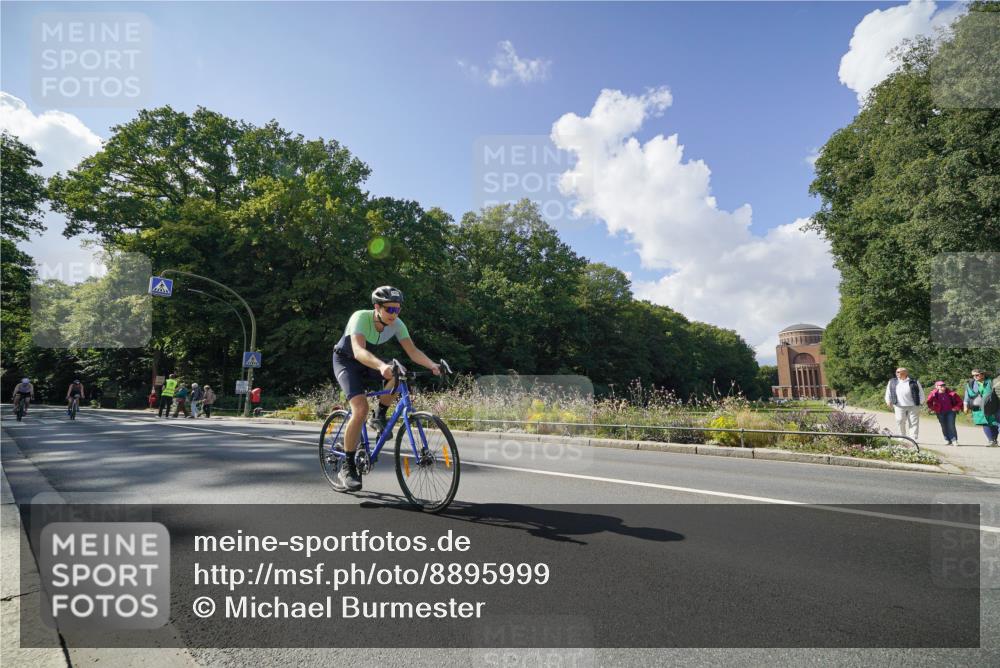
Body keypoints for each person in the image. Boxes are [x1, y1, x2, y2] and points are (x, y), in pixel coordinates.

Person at [331, 286, 441, 492]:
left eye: (397, 310)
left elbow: (413, 351)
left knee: (400, 372)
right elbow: (358, 350)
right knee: (360, 409)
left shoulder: (397, 324)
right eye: (390, 310)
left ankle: (379, 415)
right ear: (377, 307)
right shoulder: (360, 317)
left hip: (367, 361)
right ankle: (347, 466)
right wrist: (382, 366)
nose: (394, 314)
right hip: (346, 361)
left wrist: (432, 365)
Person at [884, 367, 925, 442]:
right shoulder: (892, 381)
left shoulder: (914, 381)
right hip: (898, 405)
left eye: (899, 372)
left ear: (905, 373)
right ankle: (902, 437)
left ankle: (913, 438)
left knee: (913, 422)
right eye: (897, 372)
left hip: (913, 405)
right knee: (899, 420)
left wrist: (921, 402)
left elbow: (921, 393)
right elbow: (888, 392)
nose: (897, 373)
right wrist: (888, 401)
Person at [963, 369, 999, 446]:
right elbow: (967, 396)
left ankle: (994, 440)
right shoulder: (971, 384)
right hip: (978, 407)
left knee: (994, 423)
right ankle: (991, 441)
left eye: (977, 375)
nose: (975, 377)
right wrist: (965, 406)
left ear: (983, 375)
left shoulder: (990, 382)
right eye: (973, 375)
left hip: (991, 406)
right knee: (984, 423)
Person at [926, 380, 962, 446]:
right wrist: (933, 408)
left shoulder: (951, 393)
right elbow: (929, 402)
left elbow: (959, 401)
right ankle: (947, 439)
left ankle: (954, 440)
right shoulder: (933, 394)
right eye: (941, 386)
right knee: (944, 426)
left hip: (950, 412)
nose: (943, 387)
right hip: (940, 412)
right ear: (936, 387)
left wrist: (955, 408)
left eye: (944, 385)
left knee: (951, 425)